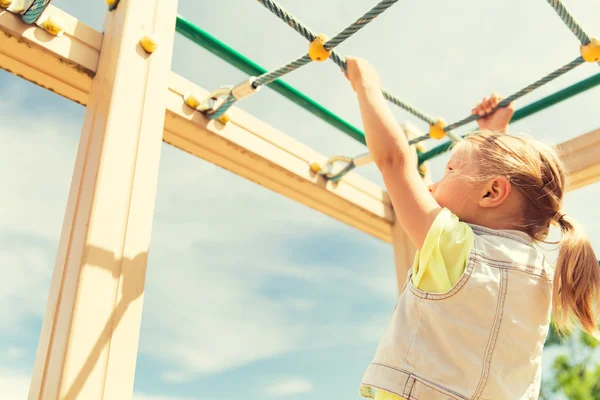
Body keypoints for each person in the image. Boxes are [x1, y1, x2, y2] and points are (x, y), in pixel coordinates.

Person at [343, 56, 600, 399]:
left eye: (449, 169)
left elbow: (393, 161)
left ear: (493, 191)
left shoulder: (453, 244)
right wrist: (491, 137)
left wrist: (367, 86)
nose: (432, 187)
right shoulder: (541, 271)